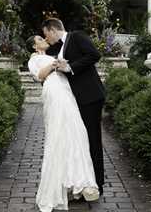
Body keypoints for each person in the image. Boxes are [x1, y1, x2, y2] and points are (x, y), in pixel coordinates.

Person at [27, 35, 99, 212]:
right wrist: (53, 65)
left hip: (67, 90)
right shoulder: (34, 59)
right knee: (59, 133)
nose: (43, 39)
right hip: (54, 91)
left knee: (76, 133)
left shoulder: (53, 53)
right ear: (34, 46)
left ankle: (77, 182)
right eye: (39, 38)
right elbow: (39, 76)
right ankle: (62, 184)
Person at [42, 18, 105, 195]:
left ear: (53, 29)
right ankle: (86, 182)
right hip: (78, 99)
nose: (47, 39)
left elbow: (94, 55)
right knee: (82, 140)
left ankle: (97, 184)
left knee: (92, 140)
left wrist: (70, 67)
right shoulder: (59, 47)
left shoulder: (76, 36)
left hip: (90, 96)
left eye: (47, 34)